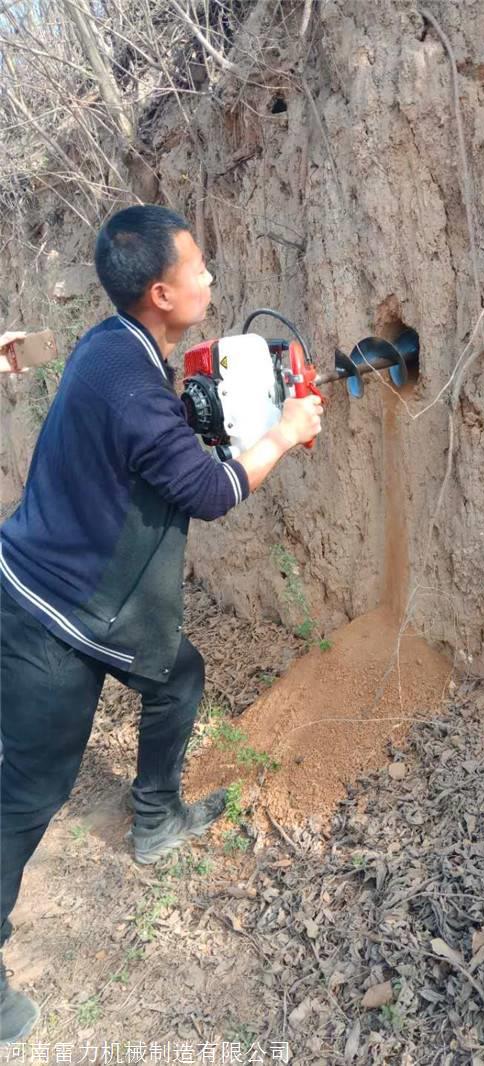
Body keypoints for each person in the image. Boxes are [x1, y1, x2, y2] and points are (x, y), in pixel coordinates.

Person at [0, 205, 323, 1042]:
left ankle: (155, 818)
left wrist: (221, 413)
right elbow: (212, 492)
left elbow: (162, 435)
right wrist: (285, 433)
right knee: (28, 793)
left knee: (177, 675)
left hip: (97, 598)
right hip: (51, 615)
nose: (211, 279)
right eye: (200, 268)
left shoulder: (115, 347)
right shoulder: (137, 386)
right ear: (160, 291)